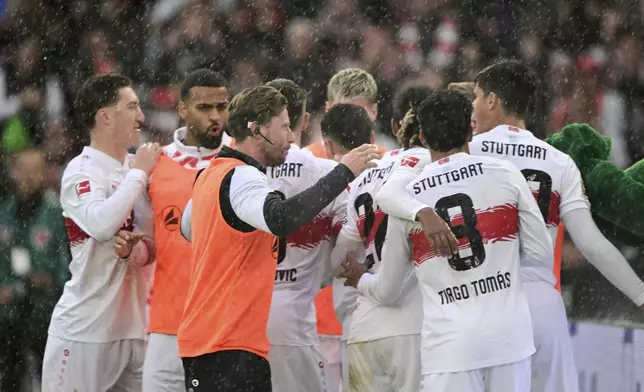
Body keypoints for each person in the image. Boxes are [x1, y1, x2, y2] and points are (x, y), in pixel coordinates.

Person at [343, 90, 553, 392]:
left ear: (424, 138)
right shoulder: (505, 174)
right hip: (509, 339)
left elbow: (387, 291)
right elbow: (540, 251)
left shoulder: (409, 197)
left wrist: (360, 278)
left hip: (450, 348)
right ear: (470, 128)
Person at [177, 85, 379, 391]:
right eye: (284, 127)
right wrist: (344, 172)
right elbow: (280, 218)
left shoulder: (211, 173)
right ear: (257, 130)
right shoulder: (241, 176)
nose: (291, 138)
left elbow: (187, 229)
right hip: (228, 342)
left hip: (217, 338)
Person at [469, 59, 644, 392]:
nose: (473, 107)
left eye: (476, 97)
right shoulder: (558, 160)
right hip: (541, 306)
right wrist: (640, 294)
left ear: (493, 100)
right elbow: (592, 244)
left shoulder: (465, 154)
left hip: (484, 302)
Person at [41, 74, 161, 392]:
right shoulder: (82, 171)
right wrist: (138, 173)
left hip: (135, 330)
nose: (142, 116)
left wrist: (135, 252)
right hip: (84, 331)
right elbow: (99, 224)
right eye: (132, 106)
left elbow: (152, 242)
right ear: (105, 116)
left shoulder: (140, 167)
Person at [323, 84, 434, 392]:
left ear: (397, 126)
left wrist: (360, 274)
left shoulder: (368, 173)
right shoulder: (435, 170)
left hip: (365, 328)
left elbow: (336, 262)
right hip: (417, 324)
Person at [143, 69, 232, 392]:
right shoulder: (156, 163)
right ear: (182, 109)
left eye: (222, 106)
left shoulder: (244, 160)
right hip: (167, 324)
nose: (215, 116)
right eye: (204, 107)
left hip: (223, 326)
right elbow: (146, 241)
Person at [304, 68, 390, 391]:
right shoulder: (305, 163)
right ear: (328, 110)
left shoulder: (396, 161)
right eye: (344, 111)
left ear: (375, 112)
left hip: (379, 309)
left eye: (360, 112)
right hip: (320, 315)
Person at [262, 78, 351, 392]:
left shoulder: (236, 172)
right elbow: (348, 245)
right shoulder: (325, 172)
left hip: (241, 317)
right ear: (304, 120)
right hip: (297, 319)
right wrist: (326, 274)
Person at [0, 148, 70, 390]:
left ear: (45, 173)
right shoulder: (5, 213)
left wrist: (52, 282)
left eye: (35, 170)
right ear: (13, 172)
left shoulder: (57, 213)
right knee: (8, 378)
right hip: (9, 314)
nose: (29, 177)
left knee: (50, 379)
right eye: (23, 170)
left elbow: (68, 262)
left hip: (47, 313)